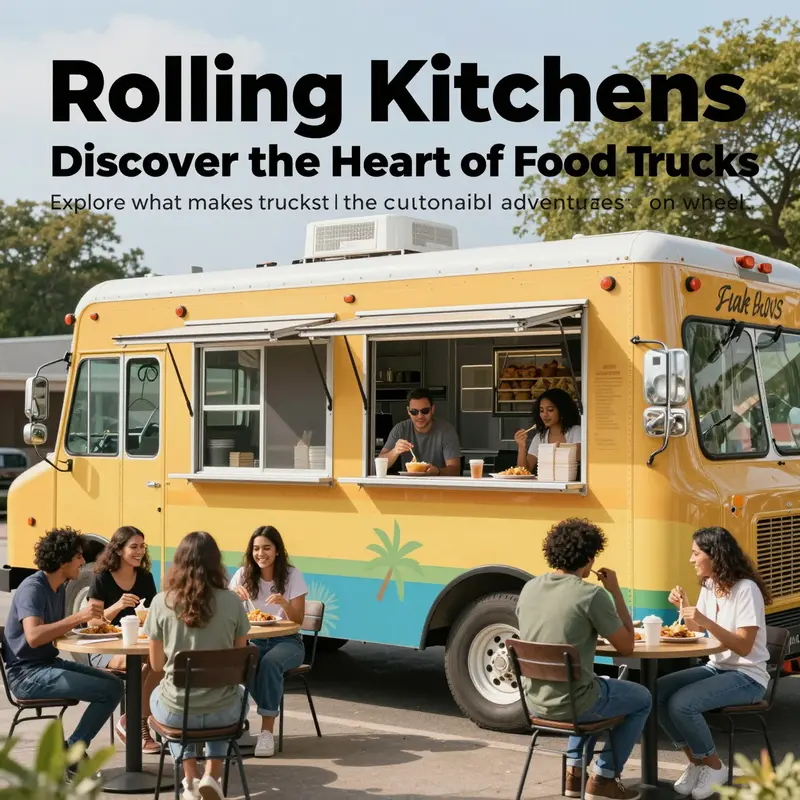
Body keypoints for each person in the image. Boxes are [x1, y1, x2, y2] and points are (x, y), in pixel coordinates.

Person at [516, 519, 650, 800]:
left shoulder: (530, 588)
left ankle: (574, 772)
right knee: (641, 697)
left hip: (534, 702)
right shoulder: (591, 595)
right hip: (575, 704)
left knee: (589, 684)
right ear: (589, 559)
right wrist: (614, 590)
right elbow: (626, 645)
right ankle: (604, 777)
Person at [658, 527, 772, 800]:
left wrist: (706, 622)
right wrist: (684, 607)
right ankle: (697, 762)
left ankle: (715, 766)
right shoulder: (710, 585)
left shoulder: (747, 590)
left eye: (696, 553)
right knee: (657, 691)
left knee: (682, 703)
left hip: (748, 676)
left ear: (715, 556)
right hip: (718, 667)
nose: (691, 559)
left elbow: (744, 646)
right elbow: (697, 631)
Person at [1, 527, 123, 772]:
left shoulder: (58, 586)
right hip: (27, 674)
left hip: (47, 663)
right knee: (107, 690)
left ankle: (72, 749)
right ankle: (71, 753)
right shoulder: (33, 588)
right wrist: (78, 617)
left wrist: (89, 630)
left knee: (115, 685)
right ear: (61, 560)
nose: (82, 561)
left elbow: (56, 631)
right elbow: (34, 636)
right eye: (78, 556)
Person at [145, 532, 250, 800]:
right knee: (229, 695)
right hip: (225, 713)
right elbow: (238, 662)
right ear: (217, 563)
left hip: (177, 712)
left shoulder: (161, 602)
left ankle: (190, 777)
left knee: (160, 697)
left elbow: (157, 664)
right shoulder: (233, 602)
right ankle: (213, 774)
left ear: (179, 562)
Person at [229, 525, 308, 758]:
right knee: (240, 659)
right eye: (255, 548)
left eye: (266, 548)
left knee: (270, 664)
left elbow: (298, 621)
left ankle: (266, 732)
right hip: (253, 639)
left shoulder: (293, 575)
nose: (260, 554)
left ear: (277, 551)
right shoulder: (242, 575)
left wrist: (285, 604)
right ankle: (243, 720)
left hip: (288, 641)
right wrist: (233, 598)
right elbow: (226, 613)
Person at [87, 525, 161, 753]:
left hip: (138, 644)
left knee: (161, 661)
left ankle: (132, 718)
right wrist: (118, 605)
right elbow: (92, 623)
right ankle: (139, 724)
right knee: (138, 666)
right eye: (134, 547)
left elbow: (153, 613)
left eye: (142, 546)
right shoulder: (102, 579)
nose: (139, 552)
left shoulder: (145, 578)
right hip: (106, 648)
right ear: (118, 550)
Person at [379, 388, 461, 476]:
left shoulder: (446, 431)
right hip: (409, 486)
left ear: (432, 409)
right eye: (414, 412)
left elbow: (455, 470)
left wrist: (438, 471)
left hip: (438, 486)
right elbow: (380, 463)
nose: (420, 416)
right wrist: (395, 451)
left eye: (425, 411)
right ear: (408, 411)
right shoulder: (400, 429)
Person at [514, 388, 581, 471]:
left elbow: (577, 456)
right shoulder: (540, 438)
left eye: (550, 410)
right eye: (541, 410)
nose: (545, 415)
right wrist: (521, 446)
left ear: (562, 410)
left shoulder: (576, 431)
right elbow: (524, 470)